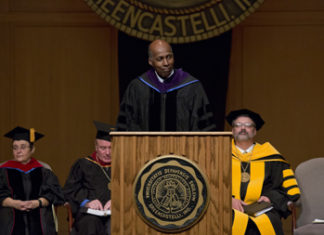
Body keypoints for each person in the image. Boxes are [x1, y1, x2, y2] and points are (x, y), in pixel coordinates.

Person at [226, 109, 300, 235]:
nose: (243, 128)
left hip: (262, 209)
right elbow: (212, 184)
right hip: (228, 208)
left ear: (254, 131)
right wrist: (227, 199)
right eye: (238, 125)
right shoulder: (220, 155)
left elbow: (285, 189)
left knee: (269, 221)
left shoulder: (271, 156)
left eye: (248, 125)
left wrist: (270, 198)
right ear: (232, 130)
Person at [116, 39, 216, 131]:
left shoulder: (192, 87)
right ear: (151, 62)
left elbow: (203, 127)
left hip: (183, 149)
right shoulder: (137, 87)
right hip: (146, 149)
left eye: (169, 57)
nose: (166, 63)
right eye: (160, 59)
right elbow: (127, 125)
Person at [0, 126, 64, 235]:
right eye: (15, 148)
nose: (18, 151)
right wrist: (13, 203)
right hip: (10, 215)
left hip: (39, 214)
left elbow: (54, 194)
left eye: (23, 147)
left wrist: (37, 203)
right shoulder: (3, 170)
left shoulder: (44, 170)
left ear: (32, 149)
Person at [63, 121, 113, 235]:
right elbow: (69, 190)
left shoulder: (123, 166)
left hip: (116, 213)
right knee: (91, 224)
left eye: (111, 147)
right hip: (89, 215)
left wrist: (118, 202)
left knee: (116, 225)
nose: (108, 152)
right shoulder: (83, 164)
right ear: (96, 147)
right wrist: (86, 202)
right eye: (103, 148)